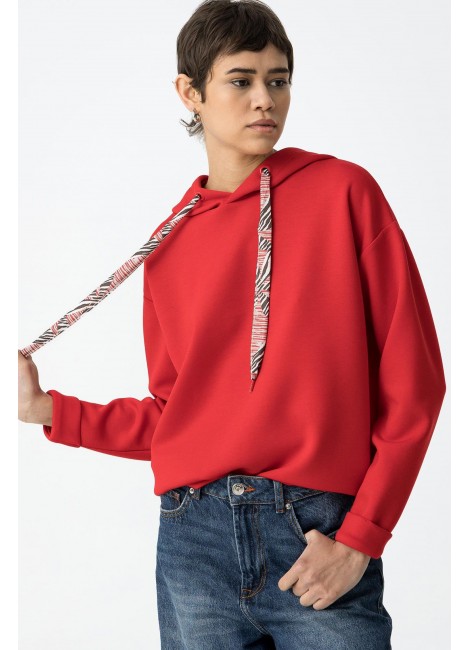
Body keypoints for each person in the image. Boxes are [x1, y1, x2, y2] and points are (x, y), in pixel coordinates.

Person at [18, 0, 446, 648]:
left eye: (279, 80)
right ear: (190, 92)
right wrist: (53, 411)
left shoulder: (344, 193)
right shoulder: (168, 244)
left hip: (314, 531)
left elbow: (415, 385)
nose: (264, 100)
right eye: (241, 80)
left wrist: (362, 538)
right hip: (194, 540)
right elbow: (178, 417)